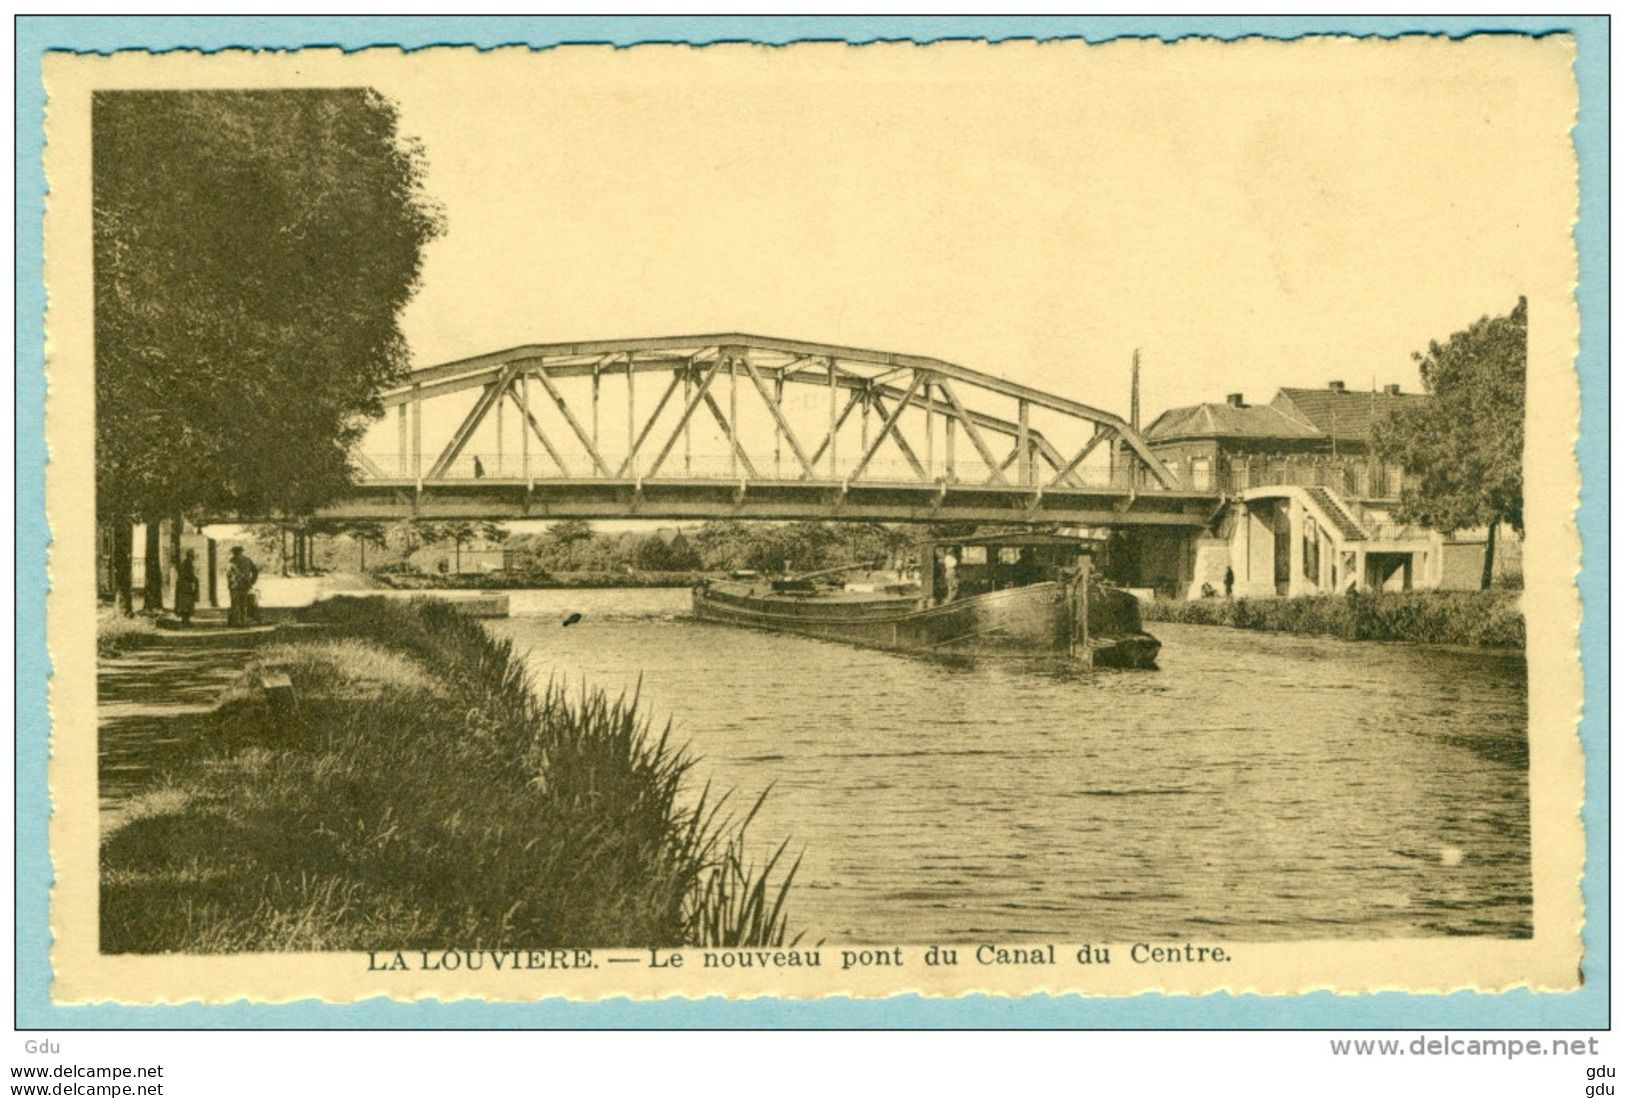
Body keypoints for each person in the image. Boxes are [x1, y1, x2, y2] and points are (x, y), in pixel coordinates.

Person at [226, 546, 259, 627]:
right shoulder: (247, 560)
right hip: (244, 585)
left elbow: (228, 574)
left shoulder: (232, 561)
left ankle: (237, 621)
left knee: (236, 603)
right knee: (243, 603)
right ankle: (242, 621)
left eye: (235, 552)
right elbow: (255, 571)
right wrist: (252, 582)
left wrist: (230, 583)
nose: (235, 554)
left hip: (236, 585)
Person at [174, 549, 200, 626]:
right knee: (185, 604)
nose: (192, 558)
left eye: (193, 556)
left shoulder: (188, 564)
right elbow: (186, 575)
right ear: (188, 556)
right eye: (191, 556)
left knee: (188, 603)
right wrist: (194, 579)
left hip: (187, 586)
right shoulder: (185, 564)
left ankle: (187, 620)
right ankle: (185, 621)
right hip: (184, 586)